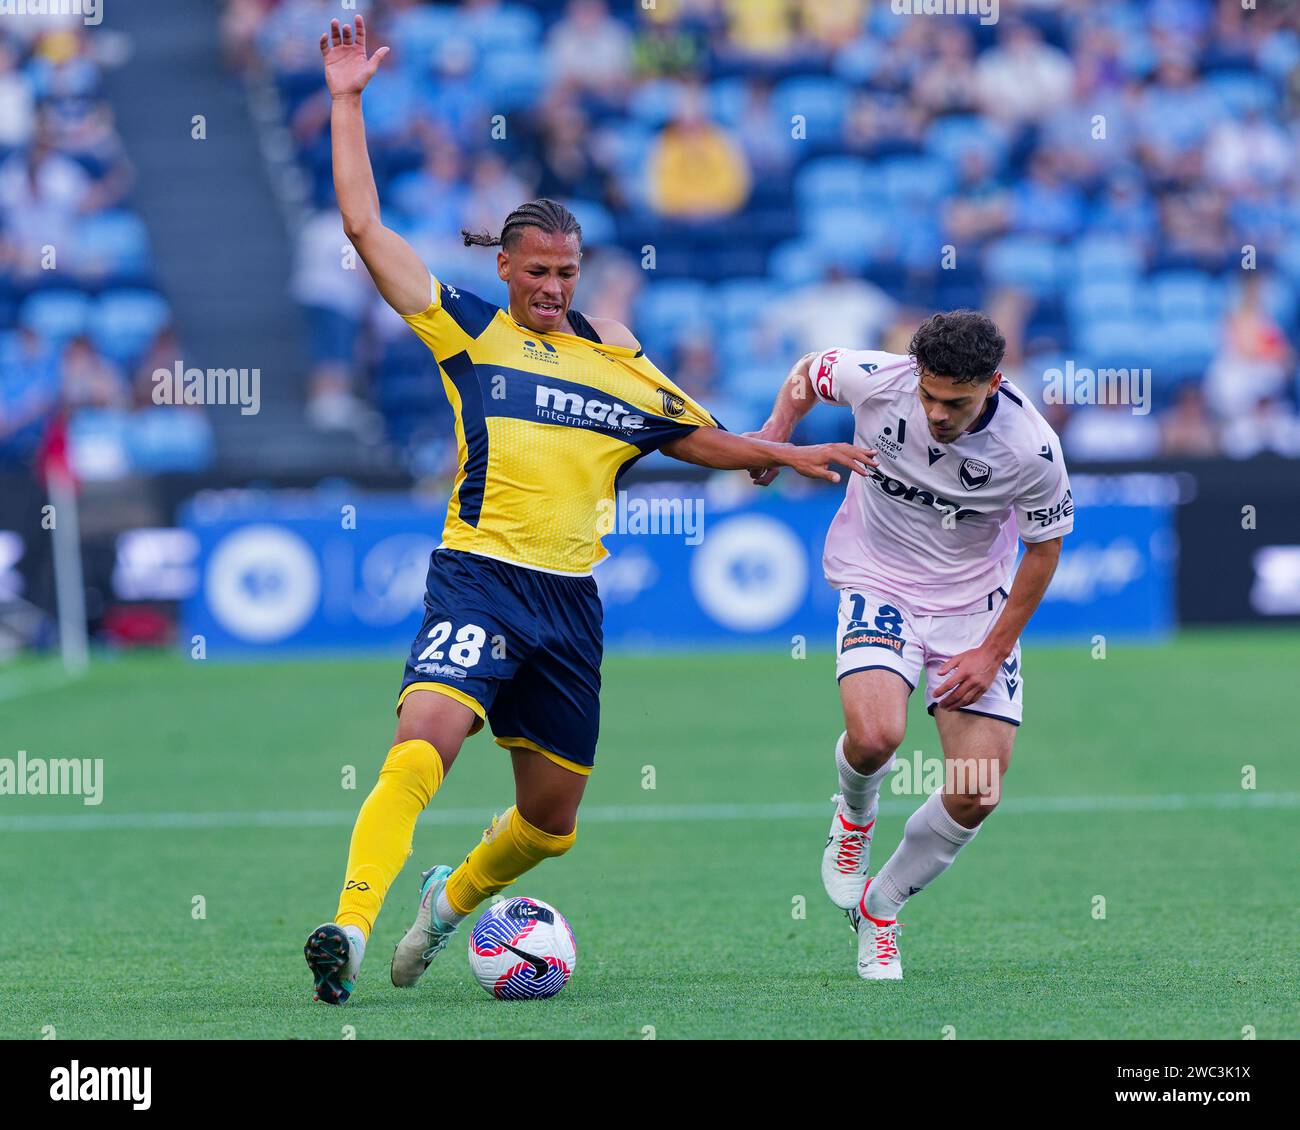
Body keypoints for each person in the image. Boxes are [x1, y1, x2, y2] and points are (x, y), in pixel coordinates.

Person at [304, 16, 878, 1005]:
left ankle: (446, 905)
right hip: (478, 576)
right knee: (422, 739)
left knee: (550, 823)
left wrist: (789, 448)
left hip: (569, 604)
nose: (552, 288)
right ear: (507, 270)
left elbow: (705, 440)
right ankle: (349, 925)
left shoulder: (616, 365)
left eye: (567, 274)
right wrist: (348, 101)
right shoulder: (467, 332)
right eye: (537, 273)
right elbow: (364, 227)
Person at [748, 310, 1072, 980]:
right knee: (874, 738)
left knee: (978, 790)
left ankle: (883, 905)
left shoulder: (1031, 448)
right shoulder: (876, 379)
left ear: (993, 385)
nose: (937, 413)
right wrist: (776, 433)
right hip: (879, 581)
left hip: (972, 611)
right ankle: (854, 821)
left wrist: (989, 652)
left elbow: (1043, 552)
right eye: (928, 395)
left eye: (956, 402)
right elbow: (808, 373)